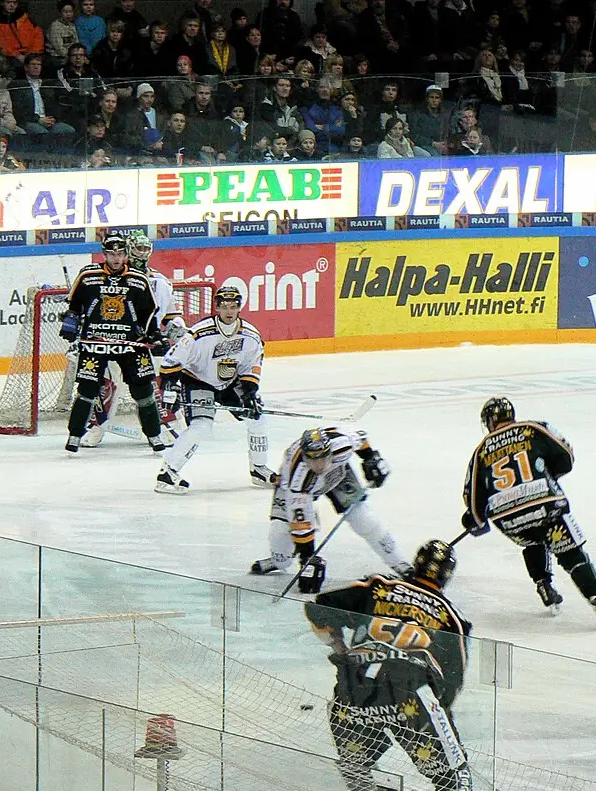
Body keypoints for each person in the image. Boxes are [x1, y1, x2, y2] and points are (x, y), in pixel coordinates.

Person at [303, 540, 496, 791]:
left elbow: (318, 607)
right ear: (448, 575)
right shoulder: (450, 615)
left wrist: (339, 647)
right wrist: (441, 718)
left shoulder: (379, 588)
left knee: (355, 764)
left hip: (353, 691)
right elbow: (453, 680)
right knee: (452, 774)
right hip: (411, 697)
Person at [461, 397, 596, 626]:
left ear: (490, 421)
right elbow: (566, 456)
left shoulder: (481, 450)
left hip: (510, 521)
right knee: (571, 553)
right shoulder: (533, 429)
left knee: (532, 540)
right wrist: (546, 475)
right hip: (546, 507)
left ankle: (544, 585)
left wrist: (476, 520)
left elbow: (472, 497)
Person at [155, 284, 277, 491]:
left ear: (239, 307)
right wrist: (170, 389)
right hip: (198, 380)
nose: (229, 311)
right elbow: (171, 361)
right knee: (201, 425)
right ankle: (167, 473)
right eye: (224, 306)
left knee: (257, 419)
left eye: (233, 306)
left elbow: (252, 364)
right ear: (217, 308)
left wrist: (250, 393)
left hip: (229, 382)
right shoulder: (198, 334)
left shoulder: (251, 335)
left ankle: (258, 469)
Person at [249, 426, 406, 580]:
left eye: (322, 458)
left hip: (336, 473)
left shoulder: (342, 443)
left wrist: (371, 458)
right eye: (312, 460)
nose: (319, 466)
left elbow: (362, 438)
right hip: (295, 490)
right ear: (305, 457)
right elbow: (302, 524)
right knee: (280, 531)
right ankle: (279, 561)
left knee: (364, 519)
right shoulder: (296, 480)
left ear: (330, 451)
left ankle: (400, 563)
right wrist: (308, 558)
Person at [61, 234, 165, 453]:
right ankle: (74, 435)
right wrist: (70, 322)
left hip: (130, 343)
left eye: (120, 254)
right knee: (87, 389)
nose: (116, 259)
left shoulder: (138, 279)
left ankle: (154, 434)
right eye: (111, 254)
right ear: (104, 254)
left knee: (143, 390)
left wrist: (154, 334)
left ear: (125, 254)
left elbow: (149, 314)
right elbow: (74, 305)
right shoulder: (88, 276)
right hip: (96, 341)